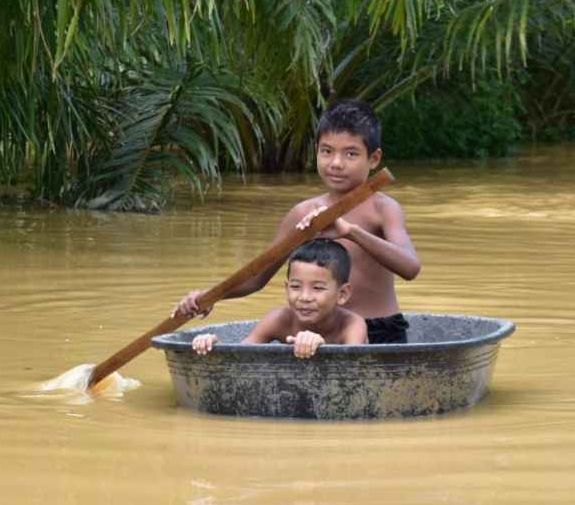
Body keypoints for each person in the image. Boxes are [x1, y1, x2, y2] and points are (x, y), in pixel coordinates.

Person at [174, 99, 420, 343]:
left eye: (351, 154)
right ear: (316, 152)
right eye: (327, 151)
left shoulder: (383, 208)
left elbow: (410, 267)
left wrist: (350, 232)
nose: (336, 163)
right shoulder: (303, 213)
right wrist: (210, 296)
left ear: (374, 159)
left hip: (380, 330)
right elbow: (258, 276)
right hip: (319, 332)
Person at [191, 239, 368, 358]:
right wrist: (213, 346)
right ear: (286, 288)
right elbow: (241, 355)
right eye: (295, 286)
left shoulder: (352, 324)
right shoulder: (279, 319)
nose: (305, 297)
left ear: (342, 294)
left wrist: (322, 346)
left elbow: (354, 368)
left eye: (318, 288)